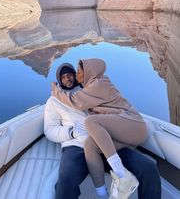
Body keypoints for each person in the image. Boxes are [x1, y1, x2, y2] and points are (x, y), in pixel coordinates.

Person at [45, 62, 161, 199]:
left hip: (106, 143)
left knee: (148, 167)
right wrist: (71, 132)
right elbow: (49, 130)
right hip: (76, 147)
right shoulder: (53, 101)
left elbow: (109, 105)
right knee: (66, 180)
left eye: (70, 74)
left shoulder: (90, 89)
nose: (68, 79)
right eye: (63, 77)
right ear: (59, 80)